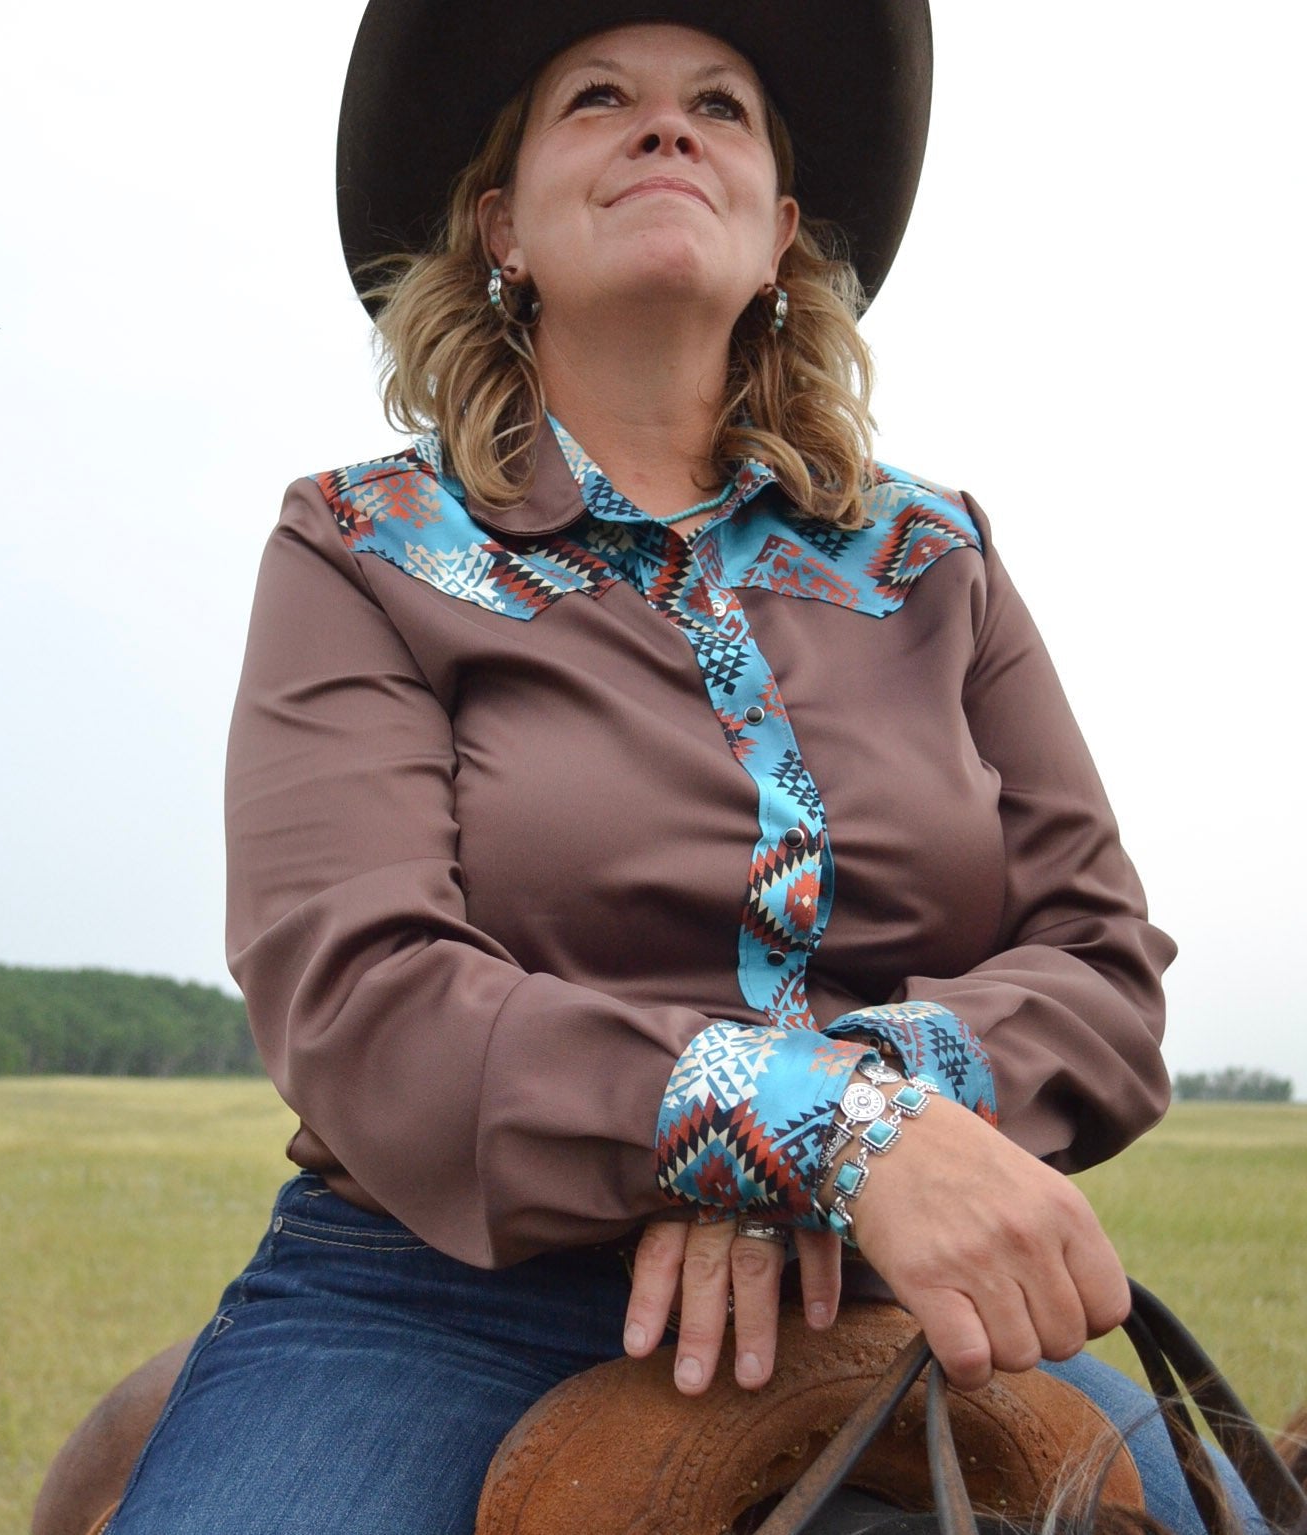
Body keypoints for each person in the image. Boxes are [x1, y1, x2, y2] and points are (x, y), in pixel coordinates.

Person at [101, 3, 1258, 1532]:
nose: (668, 127)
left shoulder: (938, 560)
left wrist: (871, 1133)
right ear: (500, 222)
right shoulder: (357, 541)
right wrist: (809, 1132)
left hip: (890, 1281)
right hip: (437, 1297)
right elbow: (359, 985)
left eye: (720, 104)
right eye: (600, 98)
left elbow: (1103, 962)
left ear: (780, 234)